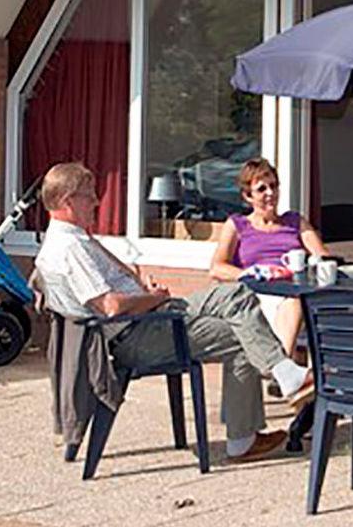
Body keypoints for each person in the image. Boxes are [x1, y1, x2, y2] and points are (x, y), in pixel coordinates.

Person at [34, 160, 306, 462]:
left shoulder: (65, 239)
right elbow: (109, 306)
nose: (97, 201)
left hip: (149, 317)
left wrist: (140, 288)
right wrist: (149, 298)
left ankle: (282, 374)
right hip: (141, 334)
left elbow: (104, 297)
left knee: (238, 295)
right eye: (89, 195)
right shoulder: (70, 249)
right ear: (67, 201)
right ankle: (249, 429)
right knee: (244, 334)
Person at [207, 157, 330, 355]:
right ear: (248, 196)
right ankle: (283, 370)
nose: (270, 193)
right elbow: (217, 268)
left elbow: (323, 257)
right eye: (262, 189)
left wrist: (308, 266)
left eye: (274, 186)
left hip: (290, 291)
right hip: (256, 293)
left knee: (296, 302)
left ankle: (280, 371)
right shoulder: (238, 225)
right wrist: (252, 273)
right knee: (293, 304)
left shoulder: (294, 222)